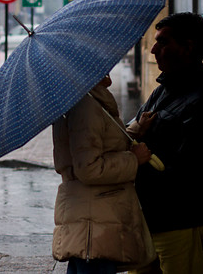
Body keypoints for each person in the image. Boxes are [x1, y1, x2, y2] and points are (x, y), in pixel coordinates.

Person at [128, 12, 203, 274]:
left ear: (188, 47)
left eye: (163, 42)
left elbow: (191, 170)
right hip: (151, 218)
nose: (154, 49)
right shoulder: (163, 89)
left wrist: (142, 157)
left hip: (181, 219)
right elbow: (134, 131)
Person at [52, 74, 156, 274]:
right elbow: (89, 168)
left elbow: (104, 142)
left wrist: (135, 129)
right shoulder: (85, 106)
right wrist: (133, 159)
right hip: (93, 227)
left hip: (92, 222)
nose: (108, 71)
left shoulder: (88, 100)